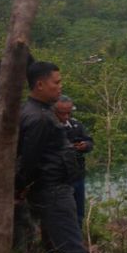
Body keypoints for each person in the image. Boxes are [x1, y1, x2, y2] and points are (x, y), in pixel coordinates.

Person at [17, 61, 86, 253]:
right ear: (40, 84)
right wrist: (20, 187)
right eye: (56, 82)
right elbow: (29, 160)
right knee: (71, 250)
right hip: (53, 192)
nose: (60, 86)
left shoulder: (37, 111)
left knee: (55, 249)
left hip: (51, 190)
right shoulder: (38, 118)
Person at [54, 95, 94, 229]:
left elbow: (89, 141)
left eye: (69, 112)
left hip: (78, 175)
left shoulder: (76, 125)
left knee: (78, 212)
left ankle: (78, 240)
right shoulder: (49, 127)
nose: (65, 116)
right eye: (61, 113)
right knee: (61, 214)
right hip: (59, 178)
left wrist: (85, 145)